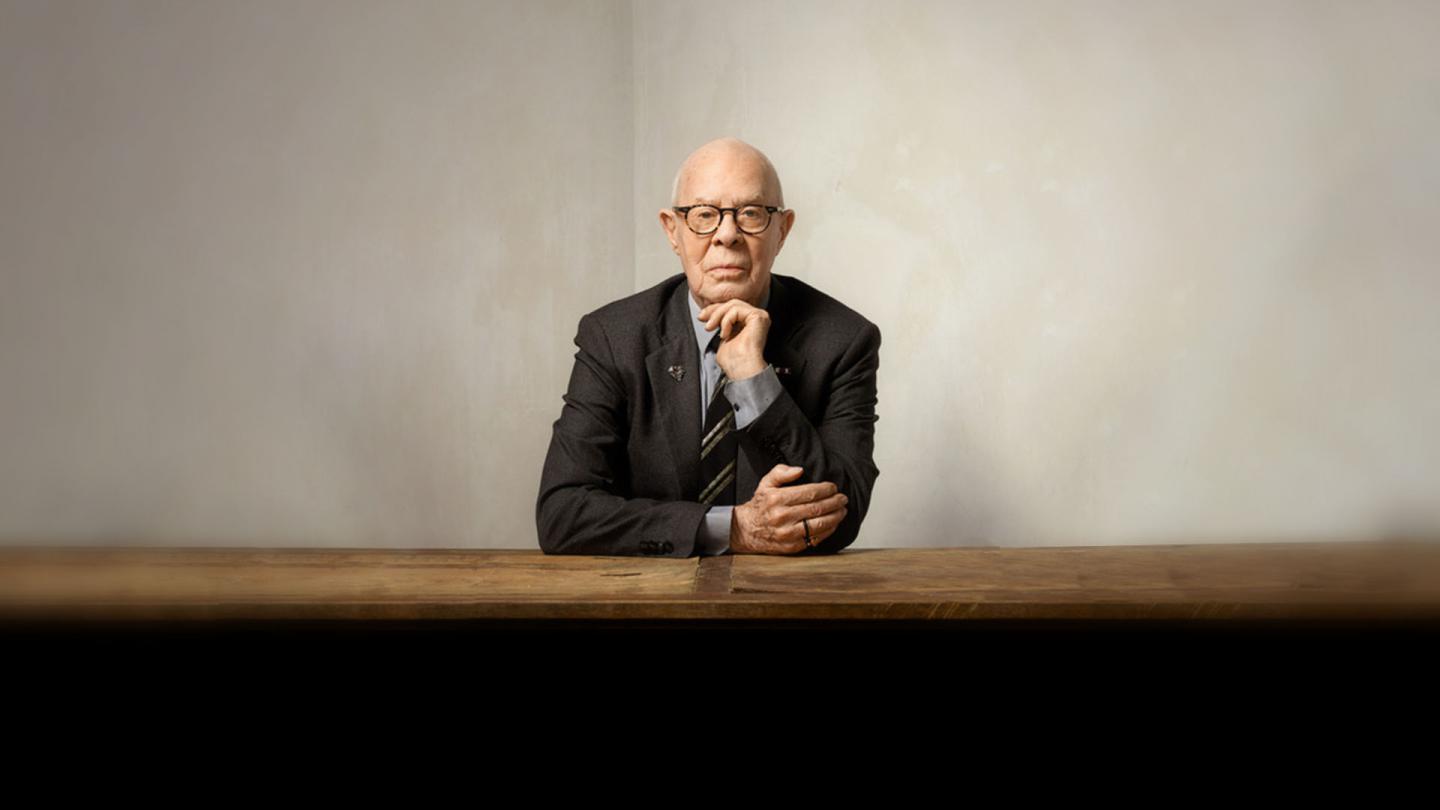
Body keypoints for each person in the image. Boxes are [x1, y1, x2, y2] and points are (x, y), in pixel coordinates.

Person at [536, 137, 881, 557]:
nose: (727, 235)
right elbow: (562, 514)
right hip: (643, 607)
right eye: (704, 215)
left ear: (783, 230)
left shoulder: (844, 340)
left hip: (785, 609)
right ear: (672, 230)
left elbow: (838, 517)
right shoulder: (613, 336)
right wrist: (732, 528)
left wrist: (756, 380)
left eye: (751, 213)